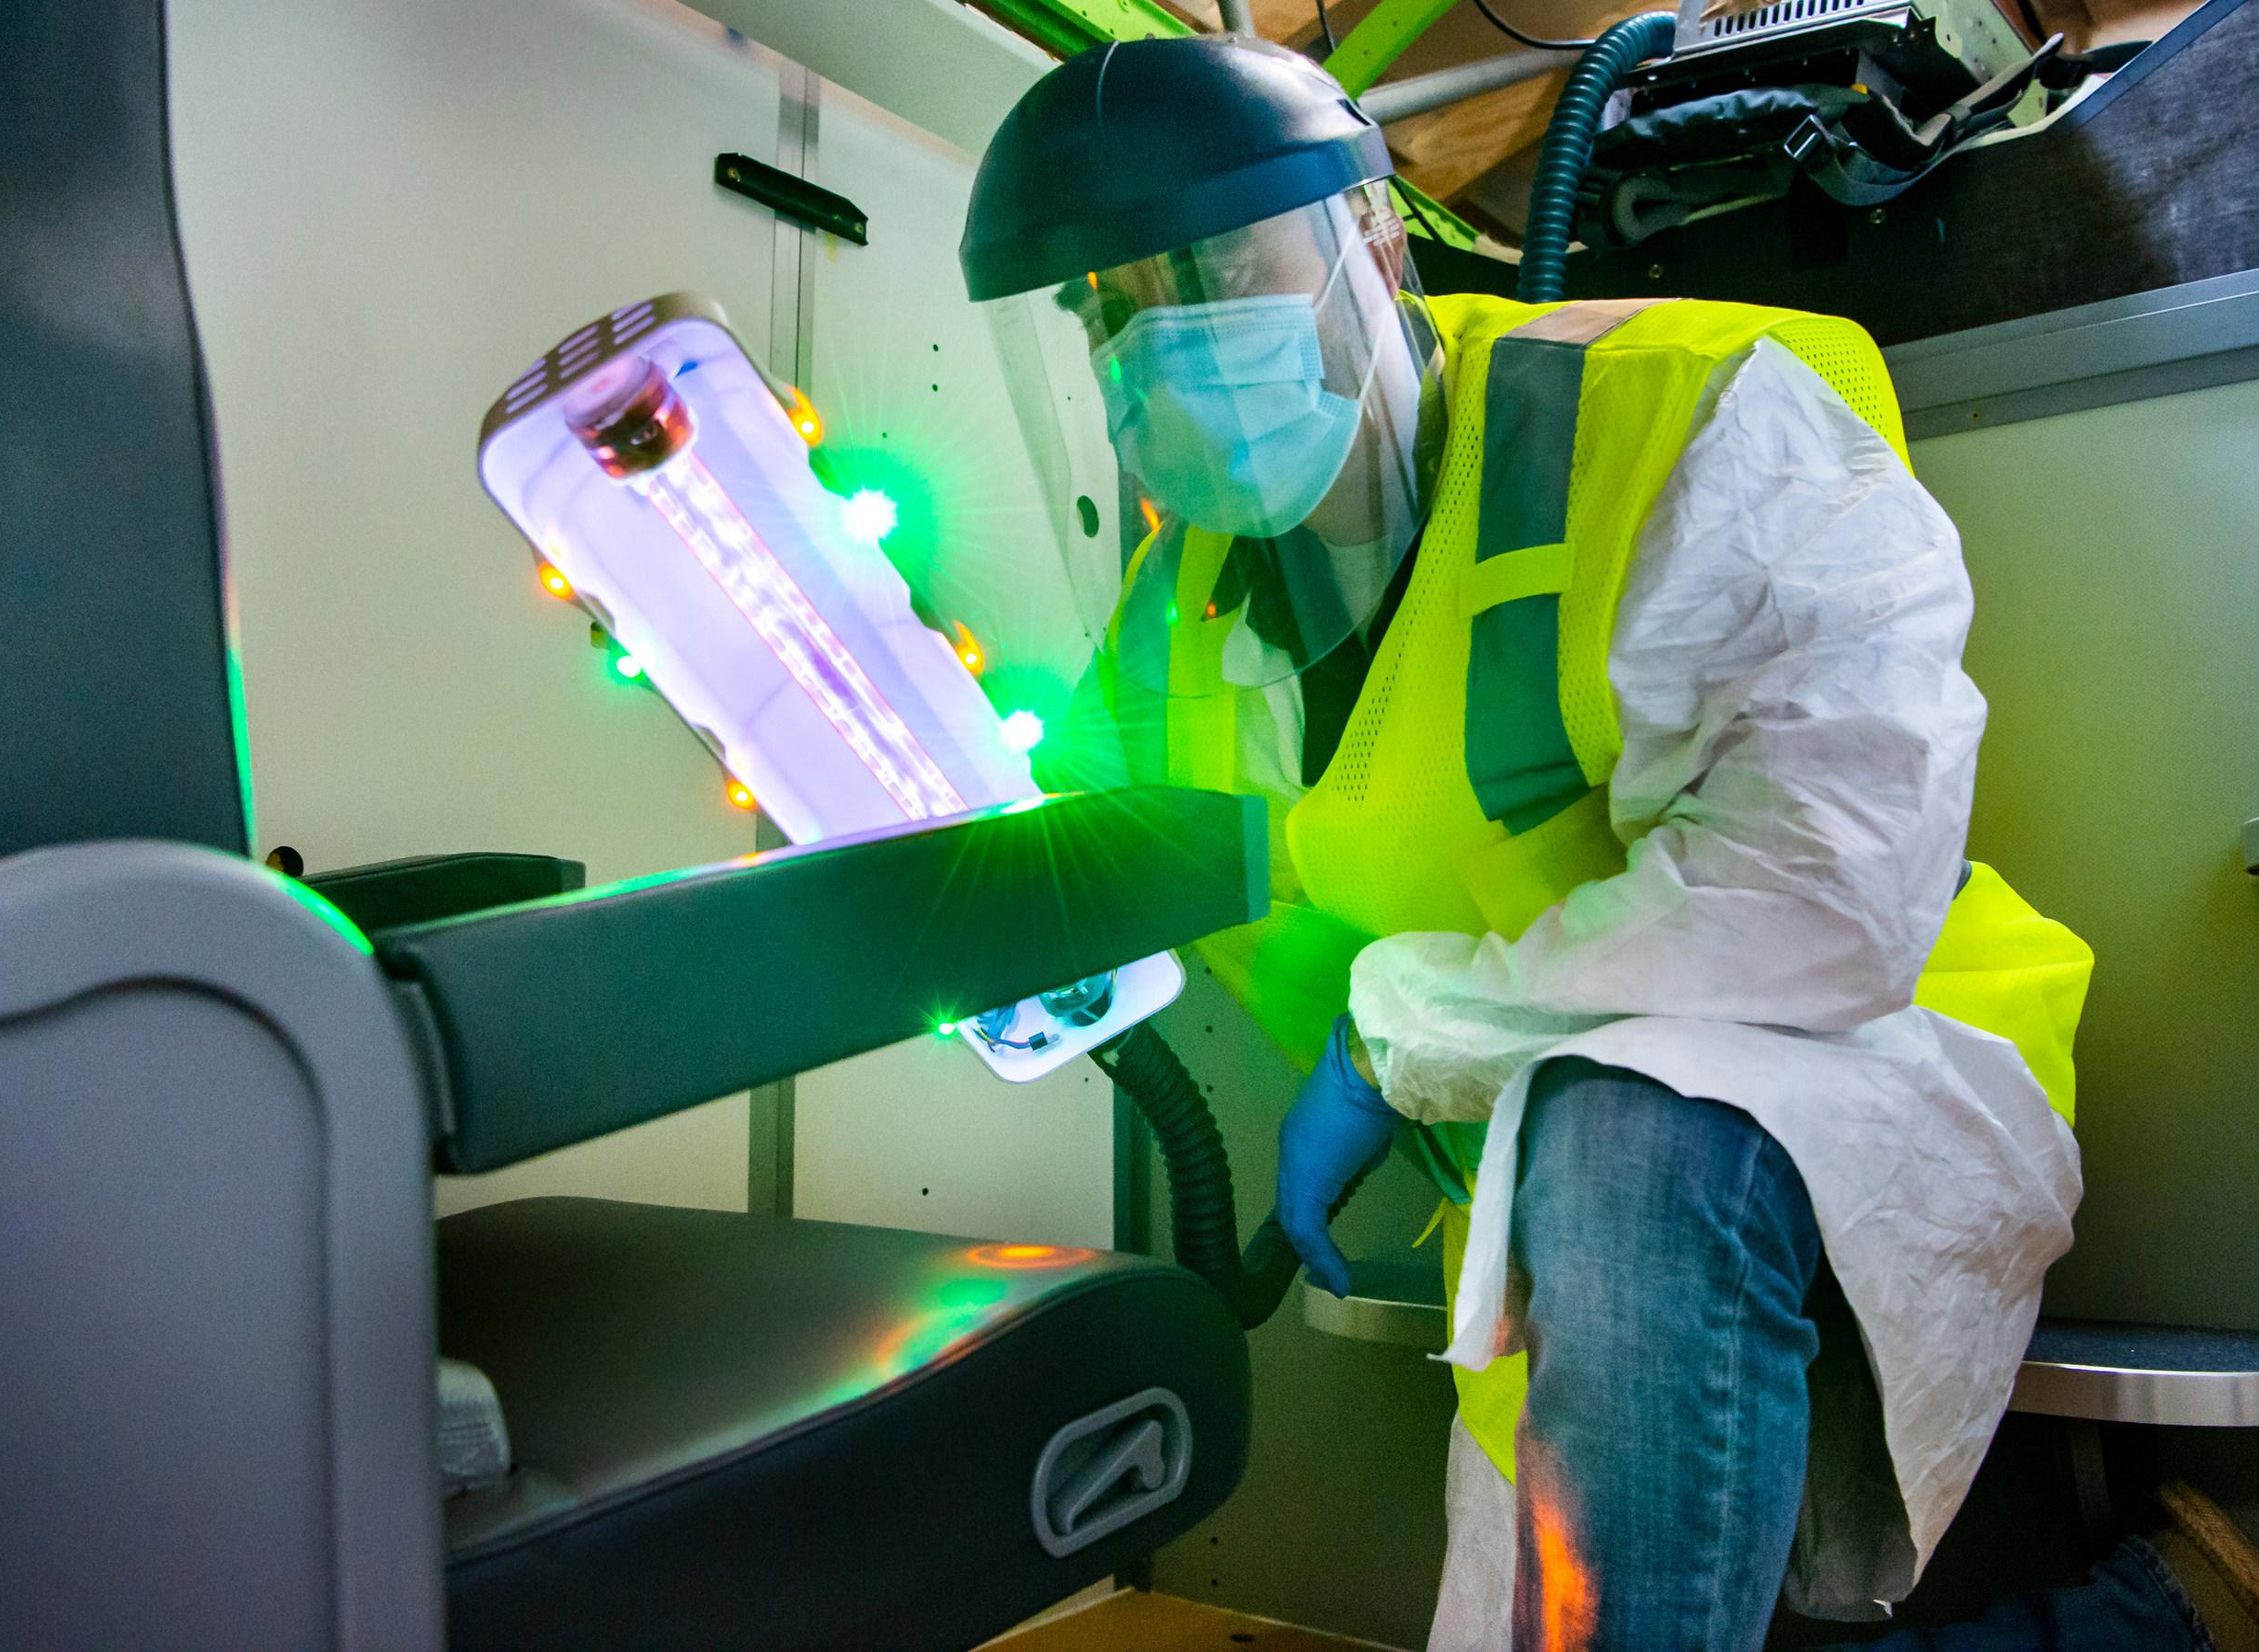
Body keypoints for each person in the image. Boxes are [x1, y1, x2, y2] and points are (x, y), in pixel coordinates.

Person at [957, 30, 2259, 1652]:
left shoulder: (1684, 415)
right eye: (1108, 311)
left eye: (1214, 269)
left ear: (1372, 237)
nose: (1159, 346)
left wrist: (1389, 1045)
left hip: (1853, 1079)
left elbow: (1819, 900)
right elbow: (1091, 847)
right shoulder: (1179, 612)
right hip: (1537, 1192)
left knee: (1631, 1125)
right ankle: (2173, 1615)